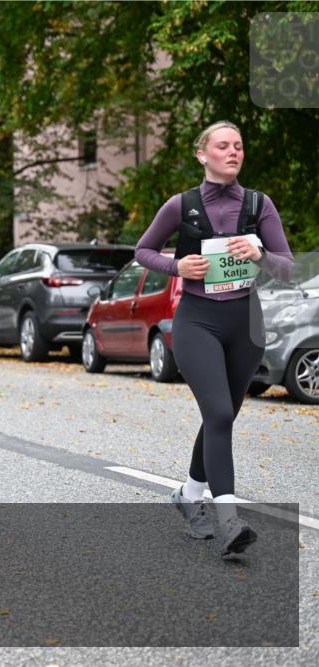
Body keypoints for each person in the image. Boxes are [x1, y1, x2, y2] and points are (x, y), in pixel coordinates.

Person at [135, 120, 294, 557]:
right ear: (202, 155)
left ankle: (189, 495)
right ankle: (229, 521)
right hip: (197, 321)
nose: (233, 152)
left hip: (246, 324)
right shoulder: (180, 205)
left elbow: (287, 267)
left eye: (238, 146)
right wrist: (177, 267)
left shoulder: (259, 204)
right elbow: (143, 250)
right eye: (223, 146)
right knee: (220, 413)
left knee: (221, 417)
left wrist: (260, 254)